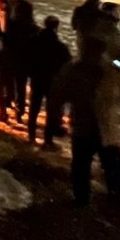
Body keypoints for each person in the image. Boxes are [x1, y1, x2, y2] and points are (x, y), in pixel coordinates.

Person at [49, 35, 120, 207]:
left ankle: (82, 200)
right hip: (107, 131)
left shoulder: (73, 69)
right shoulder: (115, 70)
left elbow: (56, 97)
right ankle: (114, 202)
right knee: (111, 170)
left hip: (84, 128)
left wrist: (55, 122)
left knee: (81, 167)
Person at [28, 15, 71, 145]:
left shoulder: (33, 41)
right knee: (51, 110)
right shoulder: (59, 46)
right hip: (52, 80)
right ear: (56, 27)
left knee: (34, 107)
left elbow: (26, 57)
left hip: (36, 78)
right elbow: (67, 64)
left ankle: (31, 136)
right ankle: (48, 139)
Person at [0, 0, 38, 123]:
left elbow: (3, 39)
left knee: (5, 84)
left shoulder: (11, 25)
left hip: (9, 59)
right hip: (24, 62)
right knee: (21, 88)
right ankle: (19, 112)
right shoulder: (34, 28)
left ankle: (5, 107)